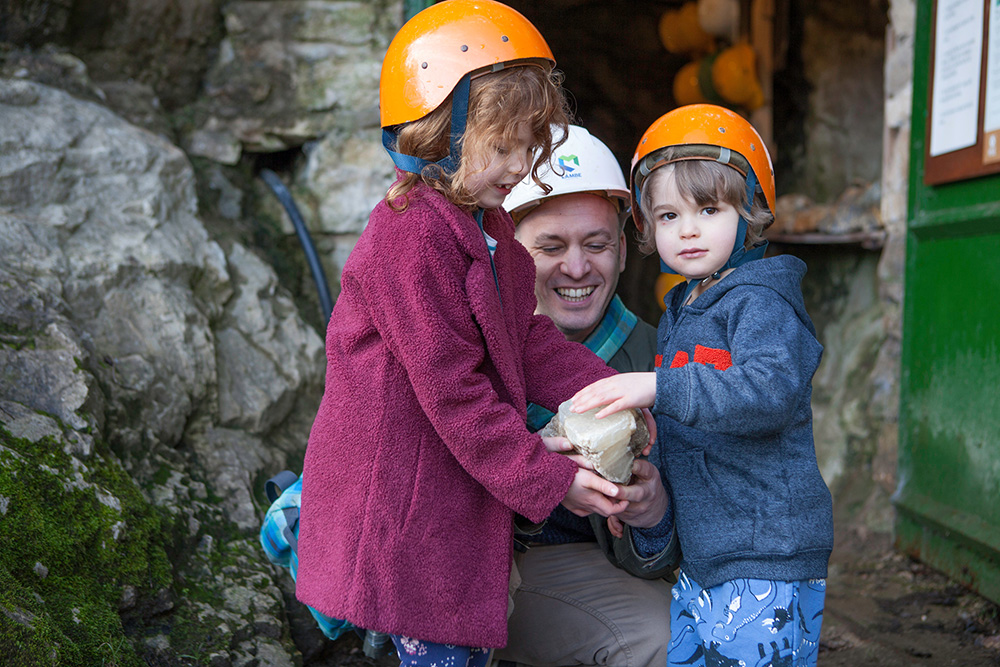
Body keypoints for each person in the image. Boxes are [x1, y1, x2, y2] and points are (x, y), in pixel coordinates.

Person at [295, 3, 640, 666]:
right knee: (446, 651)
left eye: (528, 145)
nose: (519, 164)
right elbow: (455, 393)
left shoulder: (485, 229)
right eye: (502, 145)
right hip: (404, 507)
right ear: (438, 133)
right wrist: (552, 478)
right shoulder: (411, 236)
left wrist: (613, 390)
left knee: (458, 647)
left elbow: (526, 341)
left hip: (438, 500)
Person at [571, 104, 834, 667]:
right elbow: (688, 422)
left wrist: (659, 388)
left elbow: (768, 392)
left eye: (708, 208)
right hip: (707, 557)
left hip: (765, 552)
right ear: (644, 227)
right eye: (667, 215)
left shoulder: (761, 300)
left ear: (752, 211)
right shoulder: (683, 309)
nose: (686, 230)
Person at [495, 125, 677, 667]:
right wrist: (539, 484)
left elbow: (672, 551)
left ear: (623, 250)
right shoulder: (467, 341)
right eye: (550, 247)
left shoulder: (661, 363)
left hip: (570, 566)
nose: (577, 268)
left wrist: (653, 515)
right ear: (507, 254)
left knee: (661, 637)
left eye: (596, 244)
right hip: (462, 554)